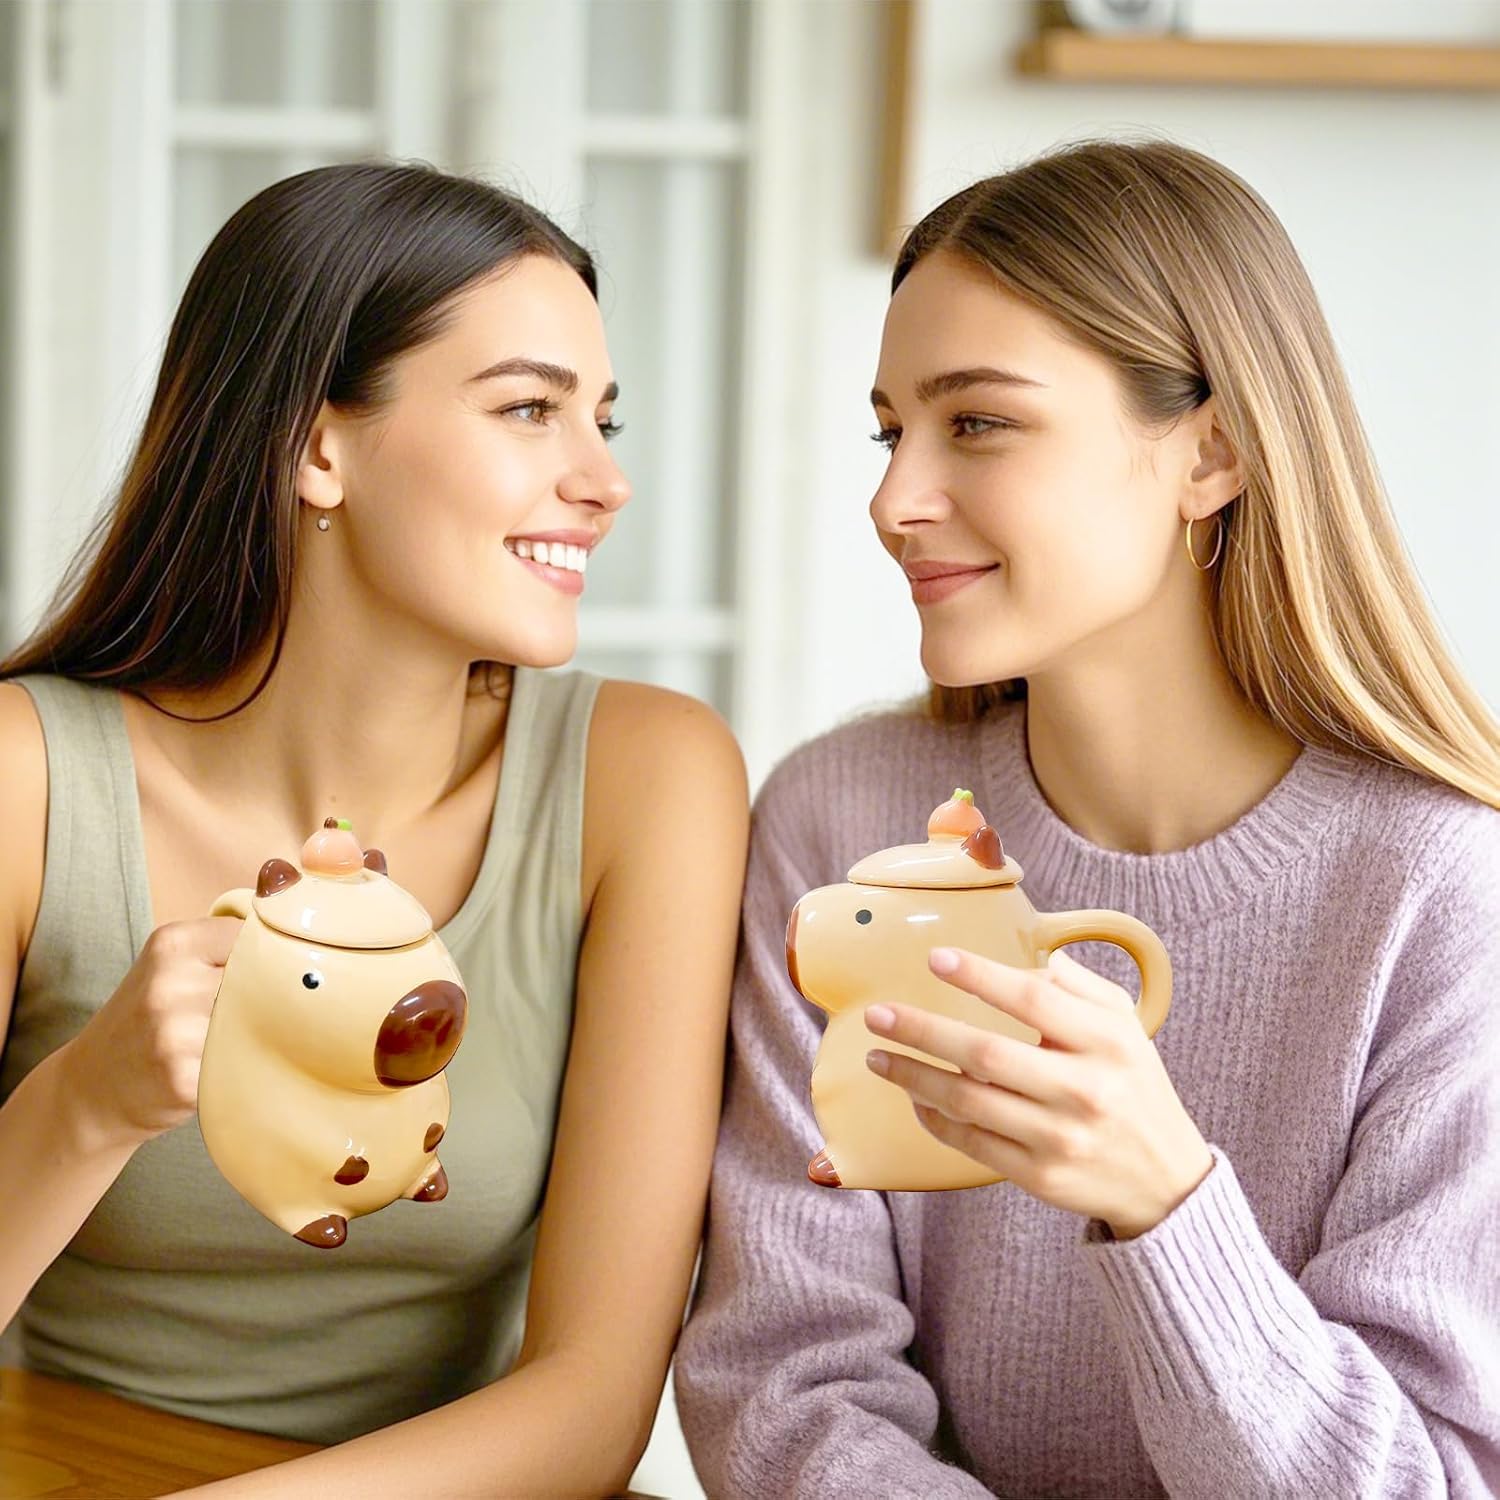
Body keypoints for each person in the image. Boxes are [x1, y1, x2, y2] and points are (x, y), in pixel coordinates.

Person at [674, 139, 1500, 1497]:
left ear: (1213, 454)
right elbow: (785, 1384)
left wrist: (1165, 1200)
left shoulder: (1441, 889)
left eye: (978, 422)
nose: (894, 499)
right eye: (892, 432)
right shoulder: (841, 823)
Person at [0, 161, 748, 1496]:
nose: (604, 481)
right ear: (316, 445)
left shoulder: (649, 780)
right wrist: (86, 1104)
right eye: (530, 409)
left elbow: (590, 1403)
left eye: (603, 420)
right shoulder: (27, 777)